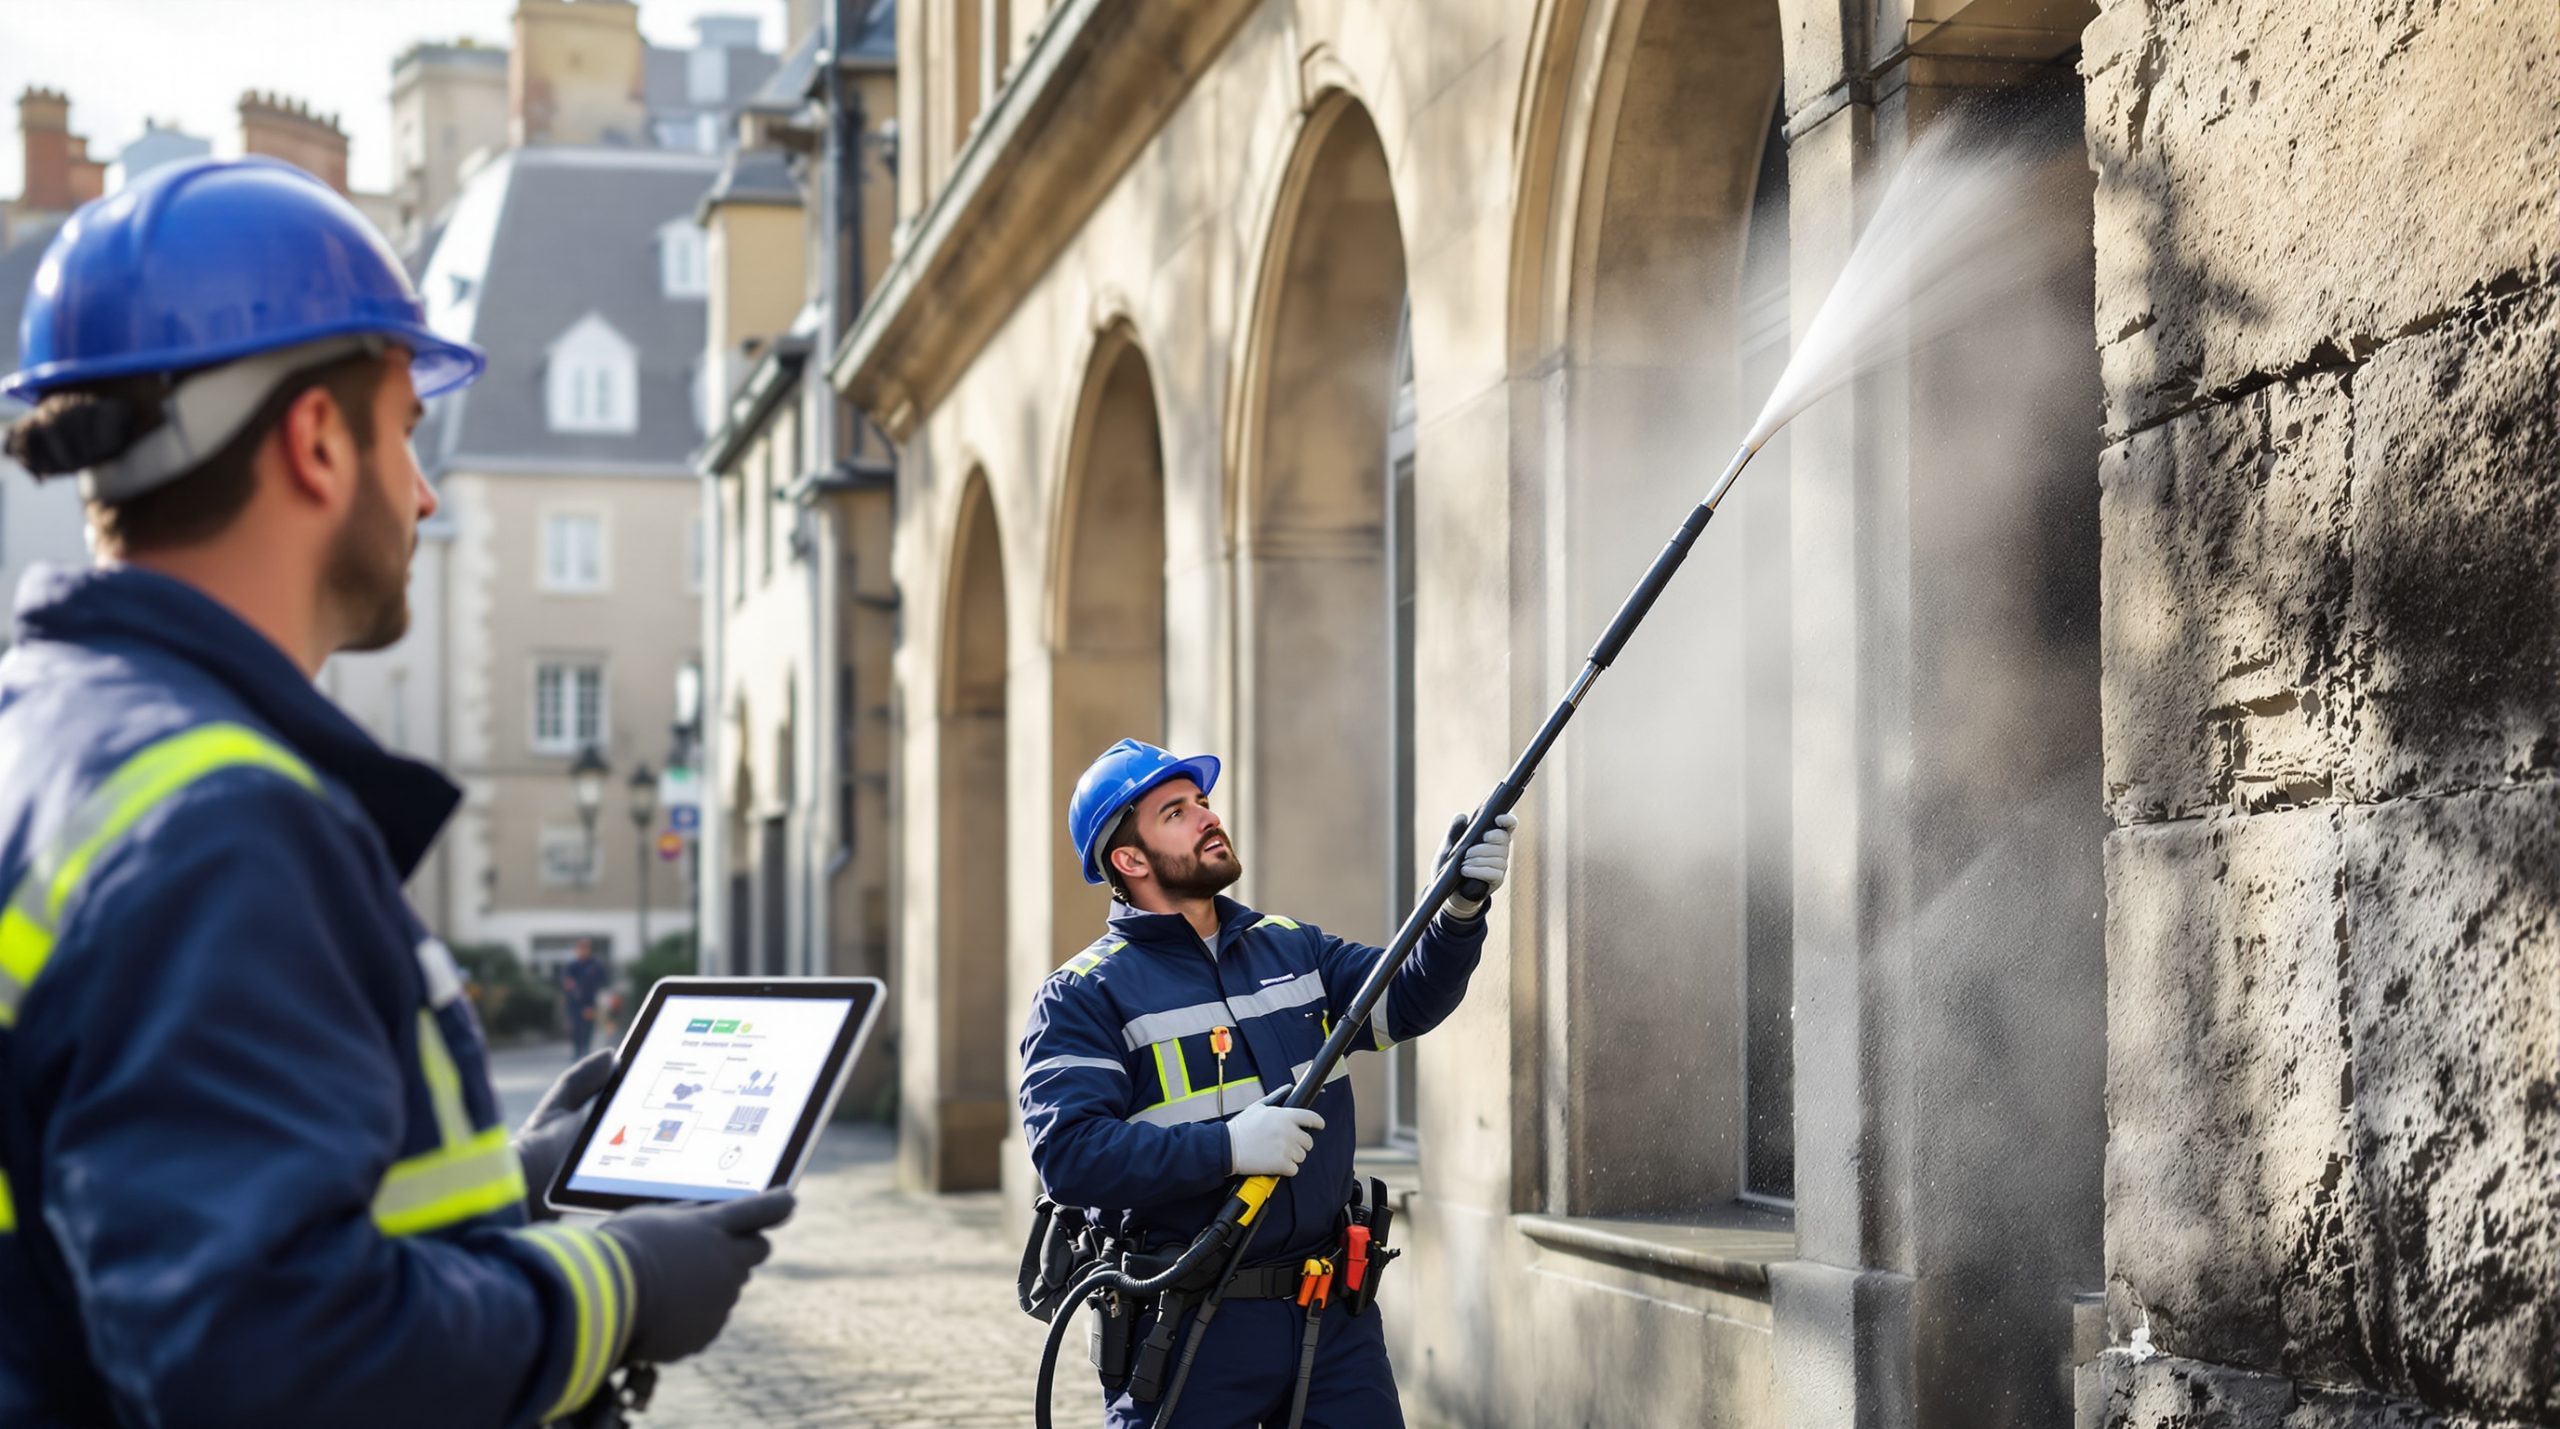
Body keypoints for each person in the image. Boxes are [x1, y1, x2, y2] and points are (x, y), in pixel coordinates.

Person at [0, 157, 791, 1426]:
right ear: (317, 441)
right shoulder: (218, 823)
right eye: (407, 435)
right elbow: (267, 1358)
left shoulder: (53, 742)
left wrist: (511, 1183)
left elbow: (145, 1197)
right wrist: (616, 1284)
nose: (426, 495)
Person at [1019, 738, 1516, 1428]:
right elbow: (1070, 1156)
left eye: (1202, 801)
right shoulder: (1083, 994)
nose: (1205, 817)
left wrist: (1457, 912)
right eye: (1175, 811)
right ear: (1129, 860)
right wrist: (1227, 1147)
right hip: (1188, 1326)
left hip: (1331, 1317)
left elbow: (1404, 1001)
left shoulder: (1291, 946)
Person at [561, 938, 609, 1059]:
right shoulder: (572, 965)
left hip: (590, 1001)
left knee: (587, 1026)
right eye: (581, 948)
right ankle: (577, 1050)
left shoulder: (595, 965)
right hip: (574, 1002)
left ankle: (586, 1049)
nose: (583, 951)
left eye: (585, 948)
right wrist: (568, 984)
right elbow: (565, 980)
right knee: (576, 1026)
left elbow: (604, 981)